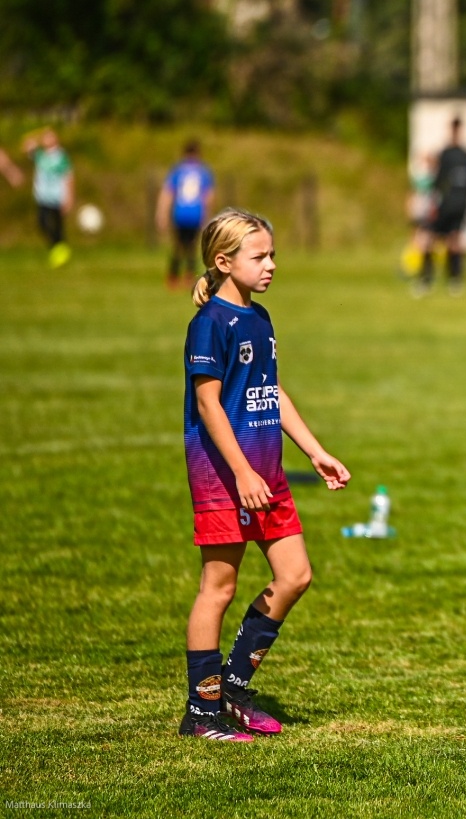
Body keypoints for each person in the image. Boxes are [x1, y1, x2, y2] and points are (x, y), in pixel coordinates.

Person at [180, 209, 350, 740]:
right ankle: (202, 711)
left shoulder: (261, 318)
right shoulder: (208, 325)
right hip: (225, 475)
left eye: (272, 254)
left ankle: (231, 687)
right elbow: (209, 407)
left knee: (295, 574)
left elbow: (270, 392)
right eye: (260, 256)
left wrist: (316, 451)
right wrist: (242, 472)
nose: (271, 264)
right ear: (223, 261)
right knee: (219, 586)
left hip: (267, 472)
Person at [418, 118, 466, 296]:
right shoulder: (445, 154)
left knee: (454, 241)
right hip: (443, 205)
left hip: (457, 206)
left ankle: (454, 279)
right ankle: (426, 278)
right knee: (429, 240)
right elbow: (438, 181)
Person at [157, 140, 216, 289]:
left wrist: (162, 214)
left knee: (178, 246)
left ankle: (173, 277)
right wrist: (207, 215)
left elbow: (167, 193)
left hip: (180, 214)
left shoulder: (177, 170)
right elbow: (208, 196)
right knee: (191, 247)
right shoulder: (203, 171)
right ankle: (189, 277)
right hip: (196, 214)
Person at [22, 128, 74, 268]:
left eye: (50, 137)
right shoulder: (40, 155)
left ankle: (61, 252)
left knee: (58, 226)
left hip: (57, 196)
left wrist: (69, 197)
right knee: (42, 223)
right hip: (42, 196)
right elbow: (25, 145)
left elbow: (68, 177)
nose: (47, 139)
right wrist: (37, 136)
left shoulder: (61, 156)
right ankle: (56, 248)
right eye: (45, 137)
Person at [401, 153, 435, 279]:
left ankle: (419, 269)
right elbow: (412, 195)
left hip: (427, 214)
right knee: (416, 241)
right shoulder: (419, 179)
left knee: (424, 242)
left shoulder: (432, 179)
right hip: (419, 212)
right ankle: (412, 266)